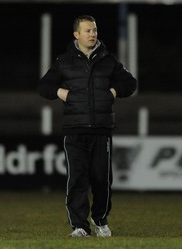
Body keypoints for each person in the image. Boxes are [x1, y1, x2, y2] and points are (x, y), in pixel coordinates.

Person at [38, 15, 137, 237]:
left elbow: (130, 83)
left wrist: (113, 91)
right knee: (77, 179)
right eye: (87, 31)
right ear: (76, 35)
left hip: (102, 130)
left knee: (102, 179)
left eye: (94, 30)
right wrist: (59, 92)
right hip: (74, 130)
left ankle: (100, 220)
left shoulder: (108, 60)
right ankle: (80, 227)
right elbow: (44, 86)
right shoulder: (64, 61)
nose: (92, 34)